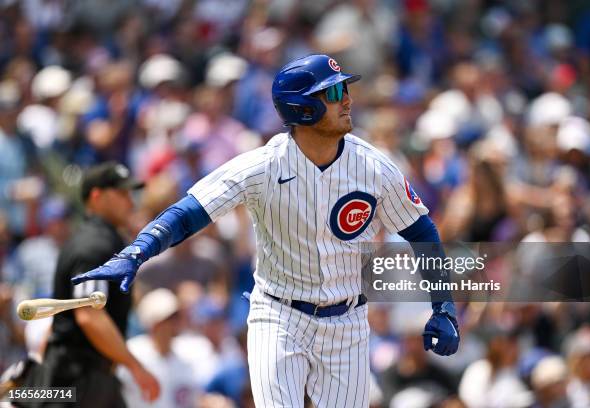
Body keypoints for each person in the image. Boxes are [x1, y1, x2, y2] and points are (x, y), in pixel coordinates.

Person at [72, 54, 460, 407]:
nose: (347, 99)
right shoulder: (263, 166)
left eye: (345, 89)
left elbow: (422, 232)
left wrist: (443, 305)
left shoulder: (374, 166)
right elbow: (190, 211)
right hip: (280, 315)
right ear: (303, 108)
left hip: (348, 323)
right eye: (334, 92)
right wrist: (137, 251)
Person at [36, 162, 160, 407]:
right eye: (122, 193)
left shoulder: (101, 240)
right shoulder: (93, 245)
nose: (130, 201)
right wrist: (136, 367)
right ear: (96, 196)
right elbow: (88, 316)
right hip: (75, 381)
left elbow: (65, 317)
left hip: (88, 376)